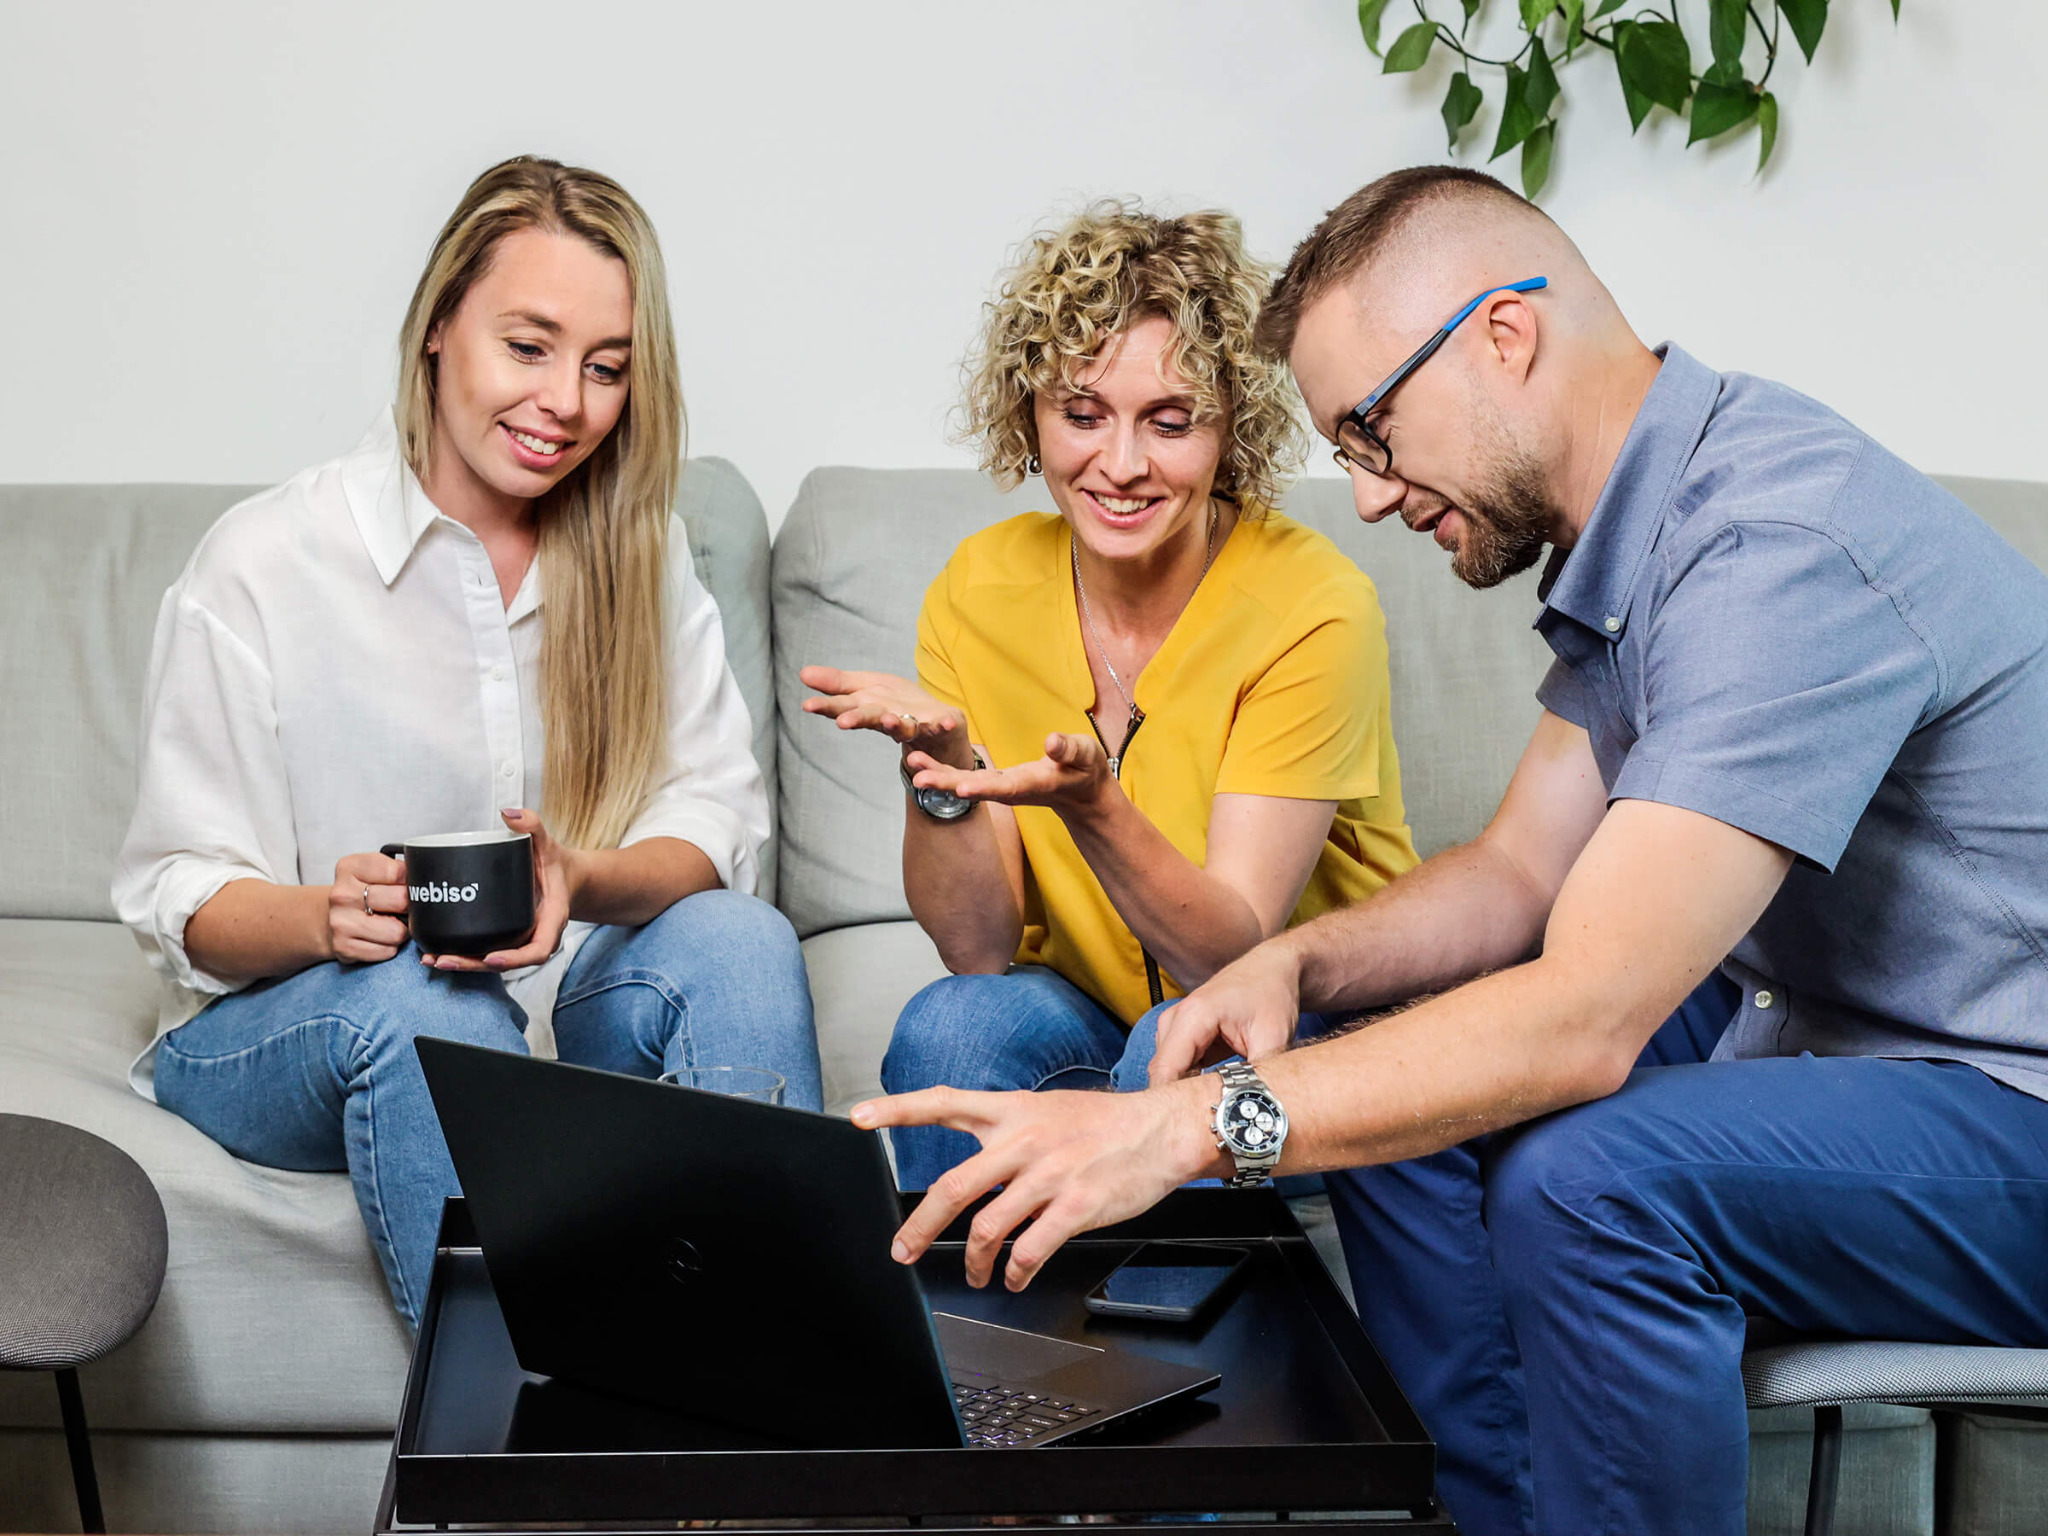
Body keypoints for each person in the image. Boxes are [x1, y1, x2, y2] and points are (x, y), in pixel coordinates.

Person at [852, 166, 2048, 1535]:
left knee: (1594, 1184)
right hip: (1848, 1041)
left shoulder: (1775, 543)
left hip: (2013, 1095)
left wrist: (1184, 1124)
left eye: (1370, 429)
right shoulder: (1652, 528)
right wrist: (1299, 966)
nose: (1362, 495)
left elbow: (1587, 1019)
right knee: (1396, 1035)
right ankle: (1476, 1507)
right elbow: (1520, 875)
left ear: (1502, 335)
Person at [113, 156, 822, 1329]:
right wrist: (323, 918)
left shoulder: (639, 559)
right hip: (296, 1023)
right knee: (420, 1002)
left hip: (551, 1008)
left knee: (741, 941)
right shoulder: (265, 561)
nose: (567, 403)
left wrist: (582, 879)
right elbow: (172, 895)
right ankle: (533, 1467)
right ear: (440, 324)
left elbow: (714, 816)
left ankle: (761, 1419)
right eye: (528, 345)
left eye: (606, 368)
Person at [802, 202, 1416, 1191]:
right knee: (949, 1025)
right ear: (1028, 412)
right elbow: (974, 949)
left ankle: (1176, 1355)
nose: (1120, 466)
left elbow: (1231, 950)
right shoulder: (978, 586)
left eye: (1168, 422)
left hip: (1303, 1024)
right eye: (1081, 414)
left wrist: (1094, 809)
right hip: (1085, 1007)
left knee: (1176, 1048)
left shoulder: (1311, 606)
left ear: (1230, 428)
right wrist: (942, 775)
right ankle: (972, 1350)